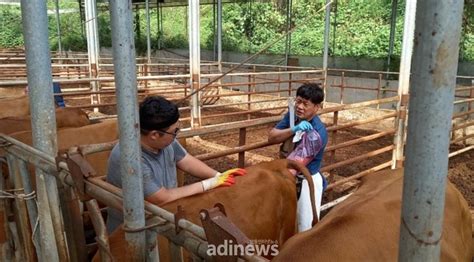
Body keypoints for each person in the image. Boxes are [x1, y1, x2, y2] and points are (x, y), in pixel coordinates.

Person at [106, 96, 245, 233]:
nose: (175, 135)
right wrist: (209, 184)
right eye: (174, 132)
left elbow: (186, 160)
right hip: (134, 230)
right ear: (154, 134)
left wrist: (218, 175)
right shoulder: (130, 158)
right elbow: (161, 198)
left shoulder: (165, 141)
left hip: (165, 217)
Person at [268, 83, 328, 232]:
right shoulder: (292, 116)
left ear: (317, 107)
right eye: (298, 101)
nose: (300, 106)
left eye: (305, 104)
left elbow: (295, 166)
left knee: (304, 226)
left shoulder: (317, 134)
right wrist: (293, 129)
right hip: (287, 174)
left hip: (305, 180)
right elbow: (272, 137)